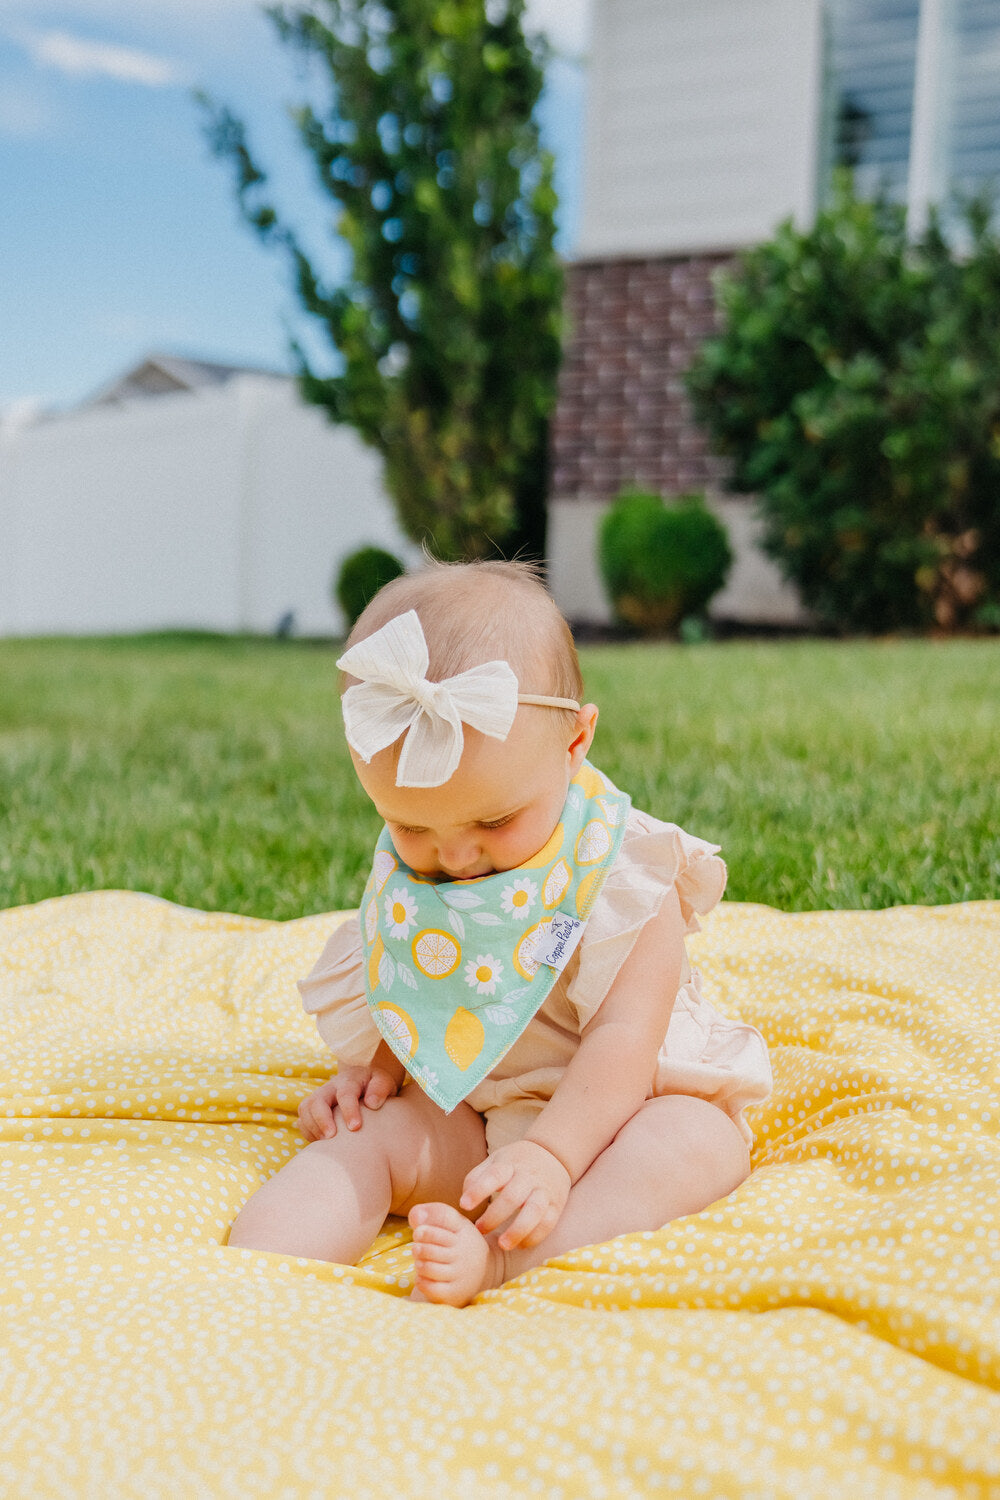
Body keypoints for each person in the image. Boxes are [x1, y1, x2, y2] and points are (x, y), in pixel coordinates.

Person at [228, 561, 771, 1306]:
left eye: (493, 822)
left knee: (693, 1145)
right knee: (369, 1133)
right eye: (412, 825)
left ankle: (515, 1258)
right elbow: (422, 975)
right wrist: (387, 1068)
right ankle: (247, 1278)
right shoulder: (435, 855)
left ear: (576, 741)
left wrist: (550, 1155)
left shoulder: (623, 871)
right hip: (479, 1113)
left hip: (618, 1114)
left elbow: (623, 1040)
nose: (455, 858)